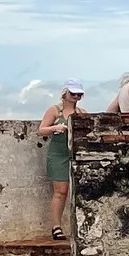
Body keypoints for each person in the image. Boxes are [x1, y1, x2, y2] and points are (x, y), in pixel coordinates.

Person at [38, 81, 83, 239]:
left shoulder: (81, 112)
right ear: (65, 93)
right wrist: (55, 128)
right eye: (73, 94)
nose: (76, 97)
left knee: (78, 192)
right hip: (58, 153)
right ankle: (56, 226)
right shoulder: (55, 110)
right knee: (60, 191)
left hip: (75, 153)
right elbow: (41, 130)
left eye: (79, 94)